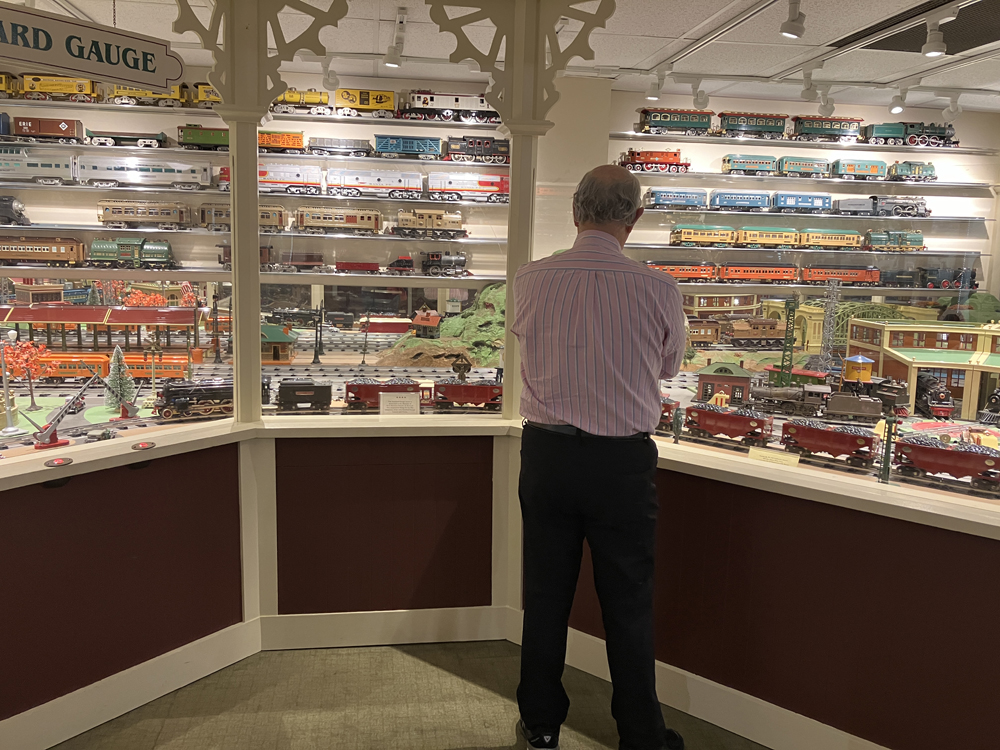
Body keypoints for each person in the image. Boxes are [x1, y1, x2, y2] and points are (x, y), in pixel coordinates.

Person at [510, 165, 687, 750]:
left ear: (575, 213)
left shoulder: (530, 279)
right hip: (622, 465)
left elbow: (524, 343)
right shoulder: (660, 288)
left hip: (546, 456)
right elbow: (667, 369)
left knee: (544, 594)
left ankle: (540, 724)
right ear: (635, 218)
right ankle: (641, 734)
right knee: (628, 605)